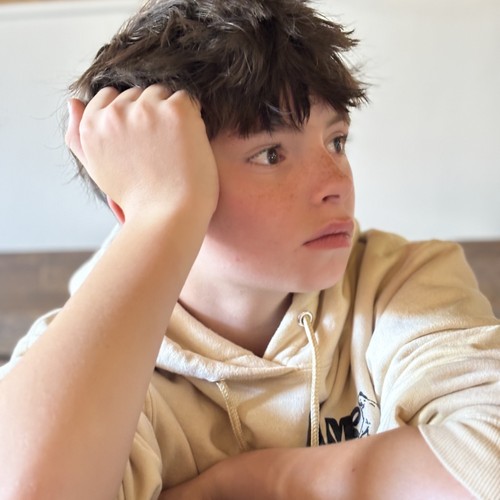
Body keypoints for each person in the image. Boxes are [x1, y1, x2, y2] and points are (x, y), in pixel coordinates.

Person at [0, 0, 498, 498]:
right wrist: (158, 218)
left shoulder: (401, 281)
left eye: (336, 141)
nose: (336, 184)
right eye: (270, 154)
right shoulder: (87, 365)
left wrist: (240, 482)